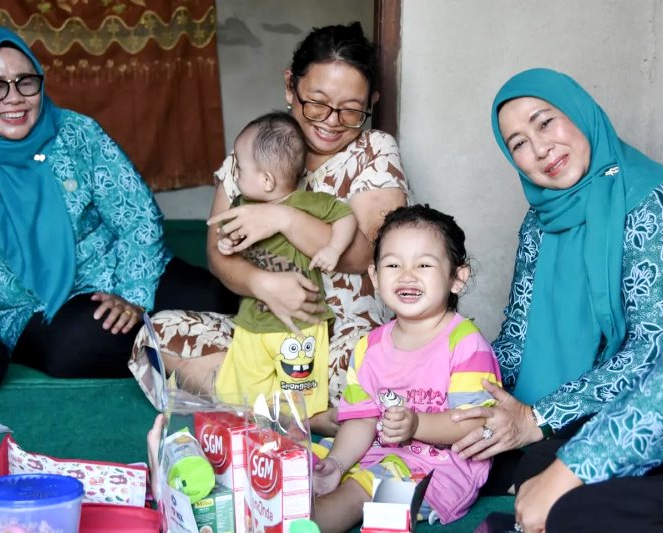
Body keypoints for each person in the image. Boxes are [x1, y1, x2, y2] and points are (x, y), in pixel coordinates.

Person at [450, 68, 663, 493]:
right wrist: (461, 385)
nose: (540, 149)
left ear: (580, 112)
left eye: (545, 122)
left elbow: (659, 351)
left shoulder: (662, 204)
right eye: (519, 143)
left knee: (540, 469)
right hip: (560, 411)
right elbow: (518, 336)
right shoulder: (541, 220)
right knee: (463, 445)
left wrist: (537, 418)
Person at [129, 22, 410, 435]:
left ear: (373, 103)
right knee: (157, 336)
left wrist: (284, 218)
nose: (331, 122)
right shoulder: (253, 151)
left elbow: (370, 253)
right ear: (289, 86)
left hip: (344, 337)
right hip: (261, 333)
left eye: (351, 110)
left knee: (375, 369)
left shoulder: (373, 151)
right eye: (317, 103)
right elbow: (218, 253)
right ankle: (300, 412)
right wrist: (261, 283)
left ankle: (257, 402)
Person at [0, 25, 237, 404]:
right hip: (30, 305)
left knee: (212, 295)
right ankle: (211, 356)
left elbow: (137, 216)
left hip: (112, 269)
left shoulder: (76, 132)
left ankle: (200, 348)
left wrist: (133, 296)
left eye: (26, 81)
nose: (14, 98)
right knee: (79, 344)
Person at [311, 205, 502, 531]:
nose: (407, 275)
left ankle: (308, 523)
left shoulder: (466, 344)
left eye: (424, 264)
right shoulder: (369, 347)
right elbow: (362, 420)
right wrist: (337, 463)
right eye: (393, 264)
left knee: (364, 487)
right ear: (375, 276)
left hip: (439, 468)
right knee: (308, 460)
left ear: (457, 278)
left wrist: (416, 424)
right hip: (377, 449)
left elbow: (475, 423)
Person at [514, 265, 663, 532]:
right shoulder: (539, 239)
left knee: (574, 509)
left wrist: (541, 422)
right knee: (542, 461)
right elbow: (517, 335)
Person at [211, 111, 357, 419]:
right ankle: (259, 427)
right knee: (245, 394)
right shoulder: (242, 206)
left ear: (266, 180)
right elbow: (225, 237)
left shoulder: (306, 203)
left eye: (240, 168)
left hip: (302, 324)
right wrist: (226, 242)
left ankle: (299, 430)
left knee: (300, 400)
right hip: (253, 321)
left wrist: (333, 249)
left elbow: (345, 217)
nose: (234, 174)